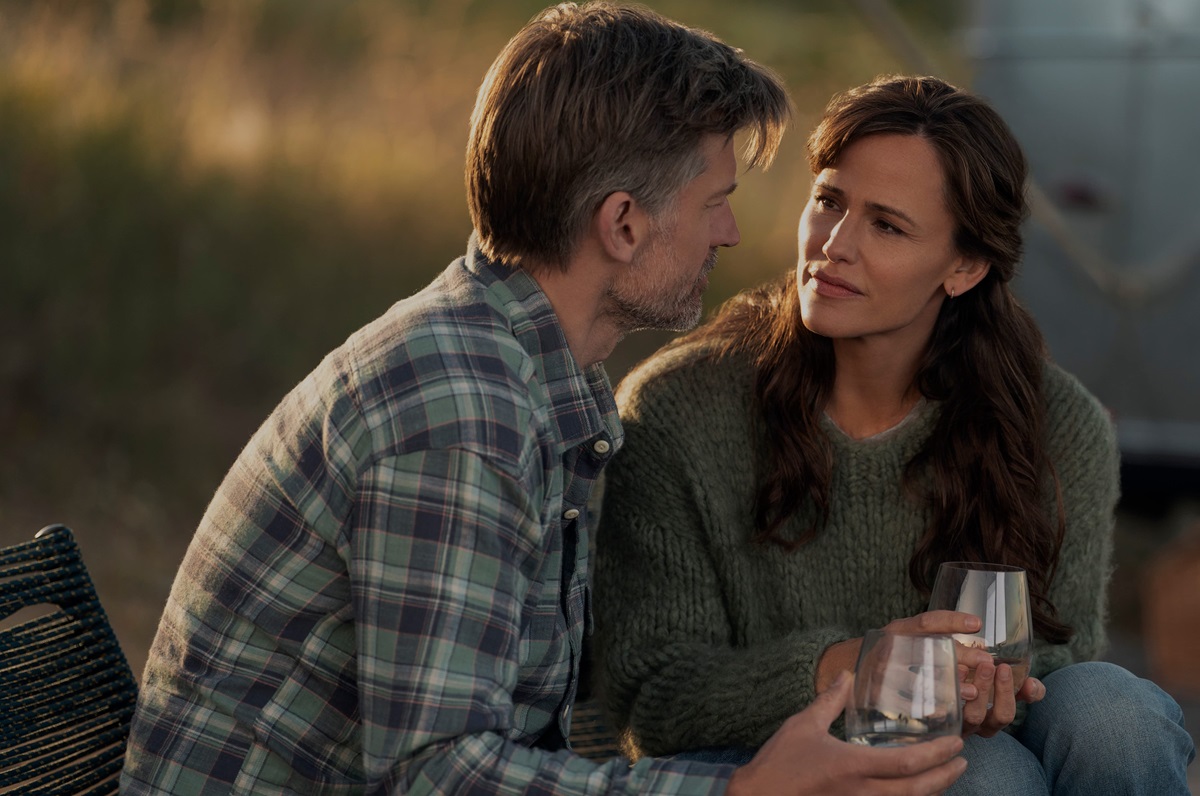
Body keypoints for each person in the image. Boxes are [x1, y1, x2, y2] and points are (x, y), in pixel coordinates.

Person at [120, 8, 970, 795]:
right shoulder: (461, 415)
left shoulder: (519, 367)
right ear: (623, 224)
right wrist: (738, 791)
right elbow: (437, 775)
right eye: (715, 203)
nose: (731, 234)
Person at [592, 74, 1196, 795]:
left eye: (887, 225)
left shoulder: (1058, 424)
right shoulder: (678, 410)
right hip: (772, 764)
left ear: (965, 266)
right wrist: (853, 665)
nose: (834, 245)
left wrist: (988, 686)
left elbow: (1059, 665)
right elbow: (654, 697)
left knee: (1116, 713)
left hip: (993, 747)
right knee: (983, 775)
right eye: (828, 202)